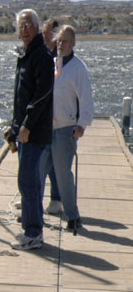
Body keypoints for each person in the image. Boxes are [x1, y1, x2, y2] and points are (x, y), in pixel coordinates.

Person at [5, 9, 54, 250]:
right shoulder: (27, 55)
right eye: (20, 26)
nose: (23, 30)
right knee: (30, 181)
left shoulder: (41, 56)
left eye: (27, 25)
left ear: (36, 28)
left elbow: (42, 94)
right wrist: (15, 126)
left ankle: (33, 233)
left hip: (34, 132)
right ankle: (32, 230)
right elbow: (21, 96)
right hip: (24, 131)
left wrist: (26, 124)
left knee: (27, 182)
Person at [40, 25, 94, 230]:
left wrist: (82, 125)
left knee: (63, 174)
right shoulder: (53, 63)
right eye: (59, 40)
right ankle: (34, 214)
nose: (61, 44)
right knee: (38, 171)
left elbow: (86, 99)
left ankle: (72, 216)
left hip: (66, 128)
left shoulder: (78, 68)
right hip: (46, 127)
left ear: (73, 44)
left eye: (65, 41)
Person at [41, 18, 63, 214]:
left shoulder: (62, 59)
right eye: (44, 33)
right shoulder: (43, 55)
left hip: (59, 120)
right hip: (42, 118)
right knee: (39, 162)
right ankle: (32, 197)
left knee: (56, 163)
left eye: (49, 33)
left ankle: (57, 198)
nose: (45, 37)